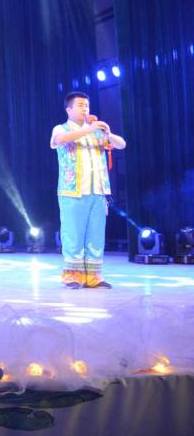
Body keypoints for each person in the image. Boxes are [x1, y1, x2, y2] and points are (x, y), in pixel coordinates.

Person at [51, 92, 126, 289]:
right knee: (73, 234)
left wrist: (107, 133)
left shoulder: (96, 131)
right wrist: (88, 129)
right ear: (69, 109)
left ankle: (94, 276)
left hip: (98, 191)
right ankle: (72, 275)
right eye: (80, 105)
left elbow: (121, 144)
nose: (85, 108)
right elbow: (60, 140)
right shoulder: (61, 128)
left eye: (87, 105)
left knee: (96, 234)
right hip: (72, 192)